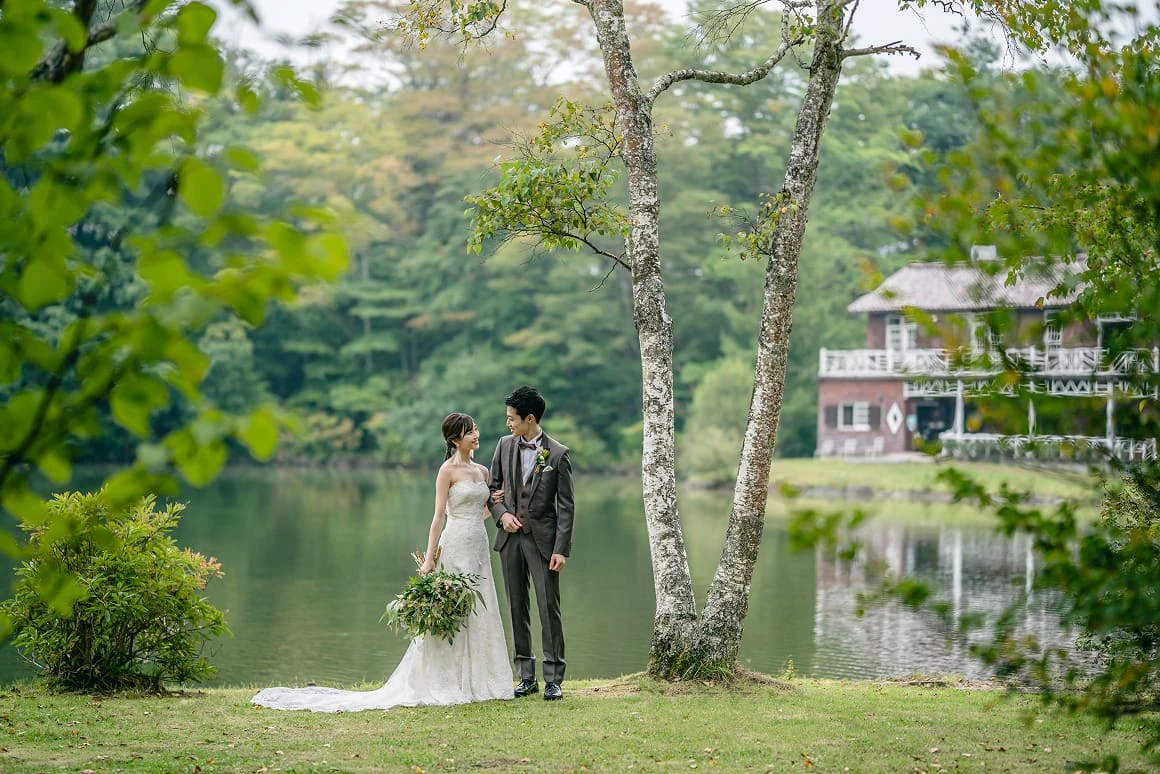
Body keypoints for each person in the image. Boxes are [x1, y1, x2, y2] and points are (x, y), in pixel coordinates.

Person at [250, 413, 513, 712]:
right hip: (453, 544)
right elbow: (439, 516)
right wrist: (429, 559)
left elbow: (480, 512)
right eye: (470, 432)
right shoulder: (446, 471)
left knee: (481, 607)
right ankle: (447, 679)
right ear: (455, 439)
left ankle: (479, 680)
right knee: (454, 608)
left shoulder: (482, 471)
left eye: (476, 429)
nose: (476, 435)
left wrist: (493, 506)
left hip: (477, 544)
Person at [488, 386, 575, 701]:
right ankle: (526, 676)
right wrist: (502, 515)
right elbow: (492, 488)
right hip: (510, 539)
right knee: (516, 606)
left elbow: (566, 506)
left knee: (547, 608)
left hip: (544, 542)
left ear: (530, 418)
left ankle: (553, 678)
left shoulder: (558, 453)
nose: (508, 423)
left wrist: (561, 549)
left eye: (512, 418)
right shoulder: (503, 445)